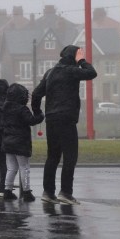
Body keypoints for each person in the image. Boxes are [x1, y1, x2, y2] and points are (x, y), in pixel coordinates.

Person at [31, 45, 97, 205]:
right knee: (70, 156)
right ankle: (66, 193)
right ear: (73, 56)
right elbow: (92, 73)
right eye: (79, 53)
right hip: (66, 118)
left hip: (51, 119)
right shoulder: (70, 70)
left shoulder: (50, 72)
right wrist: (82, 60)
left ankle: (48, 192)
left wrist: (38, 113)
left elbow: (36, 94)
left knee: (53, 156)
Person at [1, 83, 44, 201]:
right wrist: (40, 116)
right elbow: (31, 120)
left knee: (11, 168)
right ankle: (26, 192)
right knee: (24, 167)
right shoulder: (22, 109)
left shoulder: (5, 107)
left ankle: (7, 190)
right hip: (20, 143)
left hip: (7, 142)